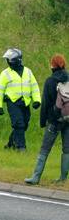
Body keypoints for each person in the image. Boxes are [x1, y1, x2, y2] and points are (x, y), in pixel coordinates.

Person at [25, 54, 68, 184]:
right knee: (67, 149)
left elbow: (46, 103)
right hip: (68, 118)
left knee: (45, 149)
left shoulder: (50, 81)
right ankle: (62, 179)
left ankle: (35, 177)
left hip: (54, 120)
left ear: (52, 65)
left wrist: (43, 121)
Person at [0, 48, 40, 151]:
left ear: (18, 60)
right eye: (8, 60)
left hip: (25, 102)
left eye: (11, 60)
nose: (9, 62)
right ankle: (21, 147)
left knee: (24, 125)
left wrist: (37, 100)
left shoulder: (28, 71)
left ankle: (11, 143)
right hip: (13, 102)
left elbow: (34, 86)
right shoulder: (5, 73)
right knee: (18, 124)